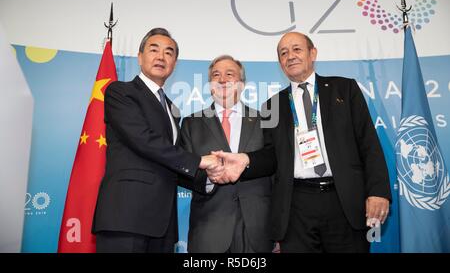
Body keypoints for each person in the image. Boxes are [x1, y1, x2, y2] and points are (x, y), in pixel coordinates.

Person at [213, 32, 391, 253]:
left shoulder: (344, 89)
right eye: (283, 53)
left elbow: (369, 144)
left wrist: (378, 192)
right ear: (280, 63)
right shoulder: (272, 105)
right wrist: (245, 160)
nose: (290, 56)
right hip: (296, 206)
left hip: (344, 200)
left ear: (312, 53)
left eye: (296, 49)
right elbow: (271, 157)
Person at [92, 28, 220, 253]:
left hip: (162, 223)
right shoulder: (120, 92)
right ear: (140, 57)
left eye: (169, 52)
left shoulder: (172, 109)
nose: (161, 56)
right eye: (154, 50)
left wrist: (208, 180)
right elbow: (143, 140)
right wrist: (200, 161)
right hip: (126, 217)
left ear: (174, 63)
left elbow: (171, 160)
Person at [179, 55, 273, 253]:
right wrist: (209, 178)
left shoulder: (265, 120)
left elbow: (275, 166)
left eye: (229, 74)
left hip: (257, 230)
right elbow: (182, 169)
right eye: (216, 75)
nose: (222, 80)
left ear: (242, 84)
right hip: (209, 229)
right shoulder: (191, 123)